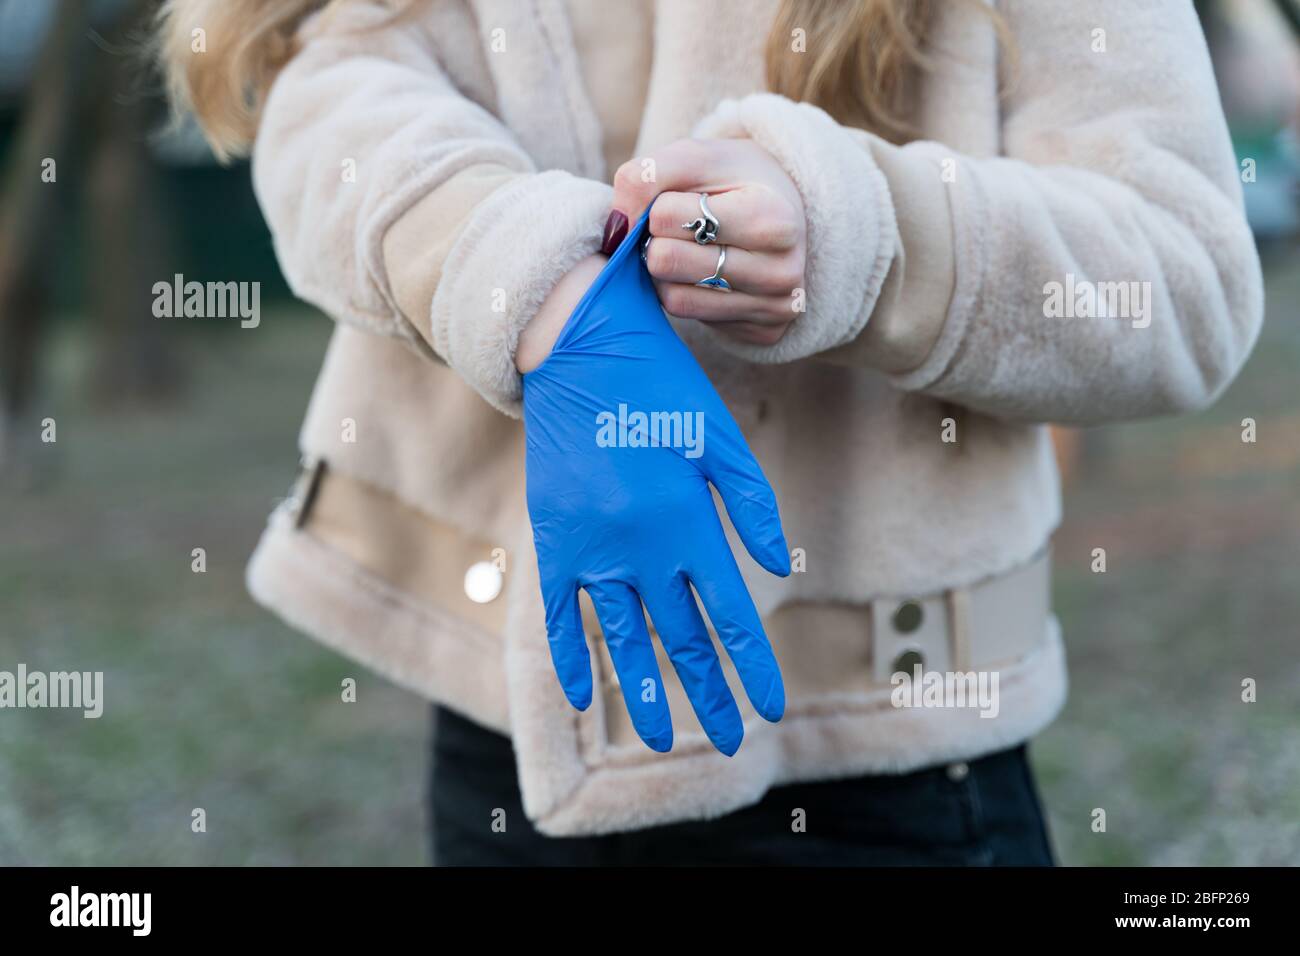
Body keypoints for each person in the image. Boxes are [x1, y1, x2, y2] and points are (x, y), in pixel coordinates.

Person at [158, 0, 1263, 865]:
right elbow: (327, 88)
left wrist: (862, 237)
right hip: (517, 724)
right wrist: (522, 279)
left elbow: (1184, 272)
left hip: (888, 748)